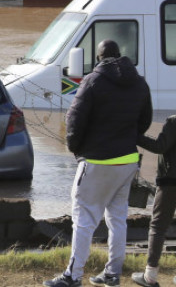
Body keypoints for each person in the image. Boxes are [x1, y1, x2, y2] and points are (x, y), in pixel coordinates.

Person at [44, 39, 153, 287]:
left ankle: (73, 276)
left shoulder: (93, 81)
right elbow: (144, 122)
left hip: (96, 160)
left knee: (83, 218)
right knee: (117, 218)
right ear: (120, 55)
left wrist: (76, 149)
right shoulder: (139, 83)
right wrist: (125, 137)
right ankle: (113, 273)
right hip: (127, 160)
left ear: (98, 58)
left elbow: (74, 120)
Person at [132, 114, 176, 287]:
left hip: (170, 182)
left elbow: (160, 146)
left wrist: (135, 136)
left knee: (158, 227)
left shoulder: (173, 121)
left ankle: (150, 275)